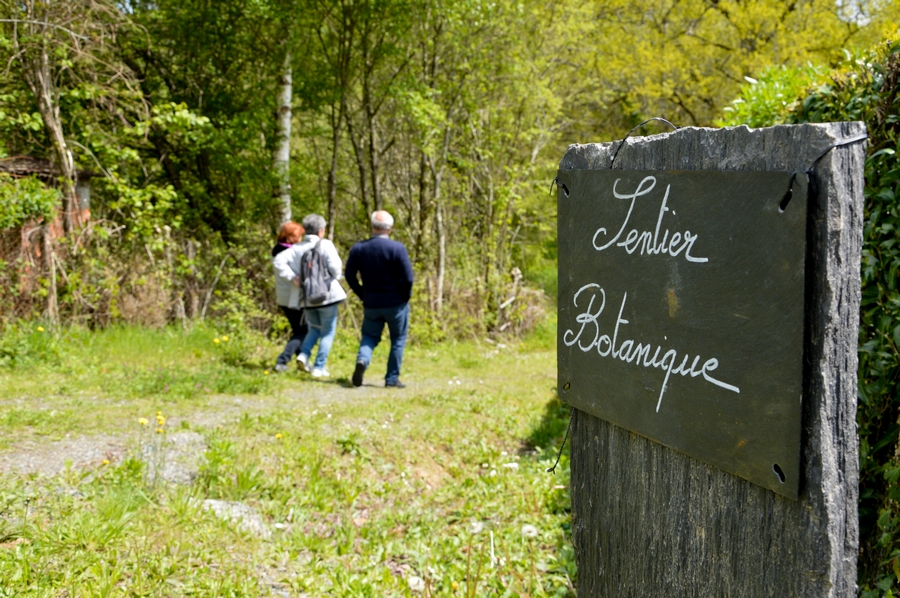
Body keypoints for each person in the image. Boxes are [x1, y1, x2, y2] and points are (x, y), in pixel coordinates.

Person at [345, 210, 414, 388]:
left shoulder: (359, 248)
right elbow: (408, 278)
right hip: (395, 303)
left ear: (372, 226)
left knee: (369, 335)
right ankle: (391, 379)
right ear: (390, 228)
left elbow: (349, 275)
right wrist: (404, 297)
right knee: (398, 340)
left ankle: (363, 360)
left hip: (372, 303)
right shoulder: (397, 248)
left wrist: (362, 293)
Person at [273, 214, 347, 377]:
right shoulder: (325, 244)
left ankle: (303, 355)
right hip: (328, 295)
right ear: (321, 230)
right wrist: (333, 277)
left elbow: (278, 261)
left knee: (313, 329)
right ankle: (319, 367)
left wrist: (293, 277)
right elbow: (335, 268)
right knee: (327, 332)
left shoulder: (296, 248)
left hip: (308, 297)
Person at [271, 221, 308, 373]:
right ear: (292, 237)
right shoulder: (283, 253)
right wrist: (294, 277)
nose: (301, 239)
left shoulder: (280, 249)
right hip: (292, 299)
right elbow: (285, 270)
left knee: (298, 330)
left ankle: (302, 361)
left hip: (286, 298)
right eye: (299, 236)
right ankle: (282, 360)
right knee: (304, 331)